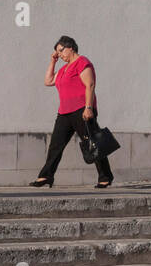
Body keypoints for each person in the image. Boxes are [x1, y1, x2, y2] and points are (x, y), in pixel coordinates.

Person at [32, 36, 113, 188]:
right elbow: (48, 81)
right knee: (56, 145)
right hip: (64, 113)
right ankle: (46, 176)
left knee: (93, 143)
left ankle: (105, 177)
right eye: (57, 52)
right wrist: (53, 61)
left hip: (82, 110)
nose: (60, 54)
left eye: (61, 51)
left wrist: (88, 107)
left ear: (71, 47)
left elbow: (90, 84)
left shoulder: (82, 62)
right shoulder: (64, 68)